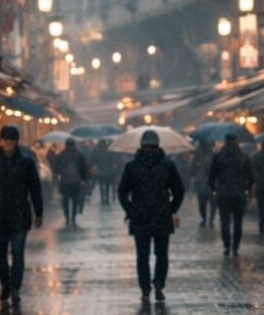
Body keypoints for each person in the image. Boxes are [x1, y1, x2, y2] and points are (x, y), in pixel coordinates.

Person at [0, 125, 43, 303]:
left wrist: (39, 212)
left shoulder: (26, 163)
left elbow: (35, 188)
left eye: (12, 140)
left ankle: (15, 288)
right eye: (6, 140)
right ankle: (5, 284)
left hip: (20, 214)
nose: (9, 144)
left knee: (17, 253)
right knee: (0, 254)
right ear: (1, 141)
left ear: (16, 142)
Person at [118, 130, 185, 303]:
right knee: (161, 254)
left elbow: (122, 192)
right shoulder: (167, 165)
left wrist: (131, 210)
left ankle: (145, 290)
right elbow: (179, 190)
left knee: (142, 256)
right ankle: (159, 283)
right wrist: (171, 209)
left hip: (140, 217)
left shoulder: (132, 166)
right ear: (158, 146)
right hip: (161, 216)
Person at [209, 131, 255, 255]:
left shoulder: (218, 156)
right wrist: (248, 189)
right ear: (236, 141)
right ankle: (235, 246)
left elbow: (212, 175)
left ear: (225, 140)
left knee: (225, 221)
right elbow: (252, 176)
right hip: (239, 193)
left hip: (223, 193)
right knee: (238, 222)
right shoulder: (244, 157)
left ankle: (226, 245)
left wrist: (214, 189)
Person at [57, 138, 88, 225]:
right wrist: (84, 179)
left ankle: (67, 217)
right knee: (75, 200)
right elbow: (84, 167)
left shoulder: (61, 155)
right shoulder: (79, 155)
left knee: (65, 201)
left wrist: (61, 172)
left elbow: (56, 167)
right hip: (76, 181)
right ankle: (73, 217)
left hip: (64, 182)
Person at [191, 138, 217, 227]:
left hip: (208, 182)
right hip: (204, 182)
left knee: (209, 202)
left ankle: (209, 219)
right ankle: (206, 218)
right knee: (205, 202)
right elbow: (193, 168)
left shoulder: (214, 155)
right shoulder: (198, 155)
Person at [89, 139, 114, 205]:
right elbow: (112, 160)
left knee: (101, 185)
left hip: (100, 171)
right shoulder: (109, 150)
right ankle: (107, 198)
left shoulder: (96, 151)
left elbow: (92, 160)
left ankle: (103, 198)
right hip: (108, 171)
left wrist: (91, 167)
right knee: (107, 186)